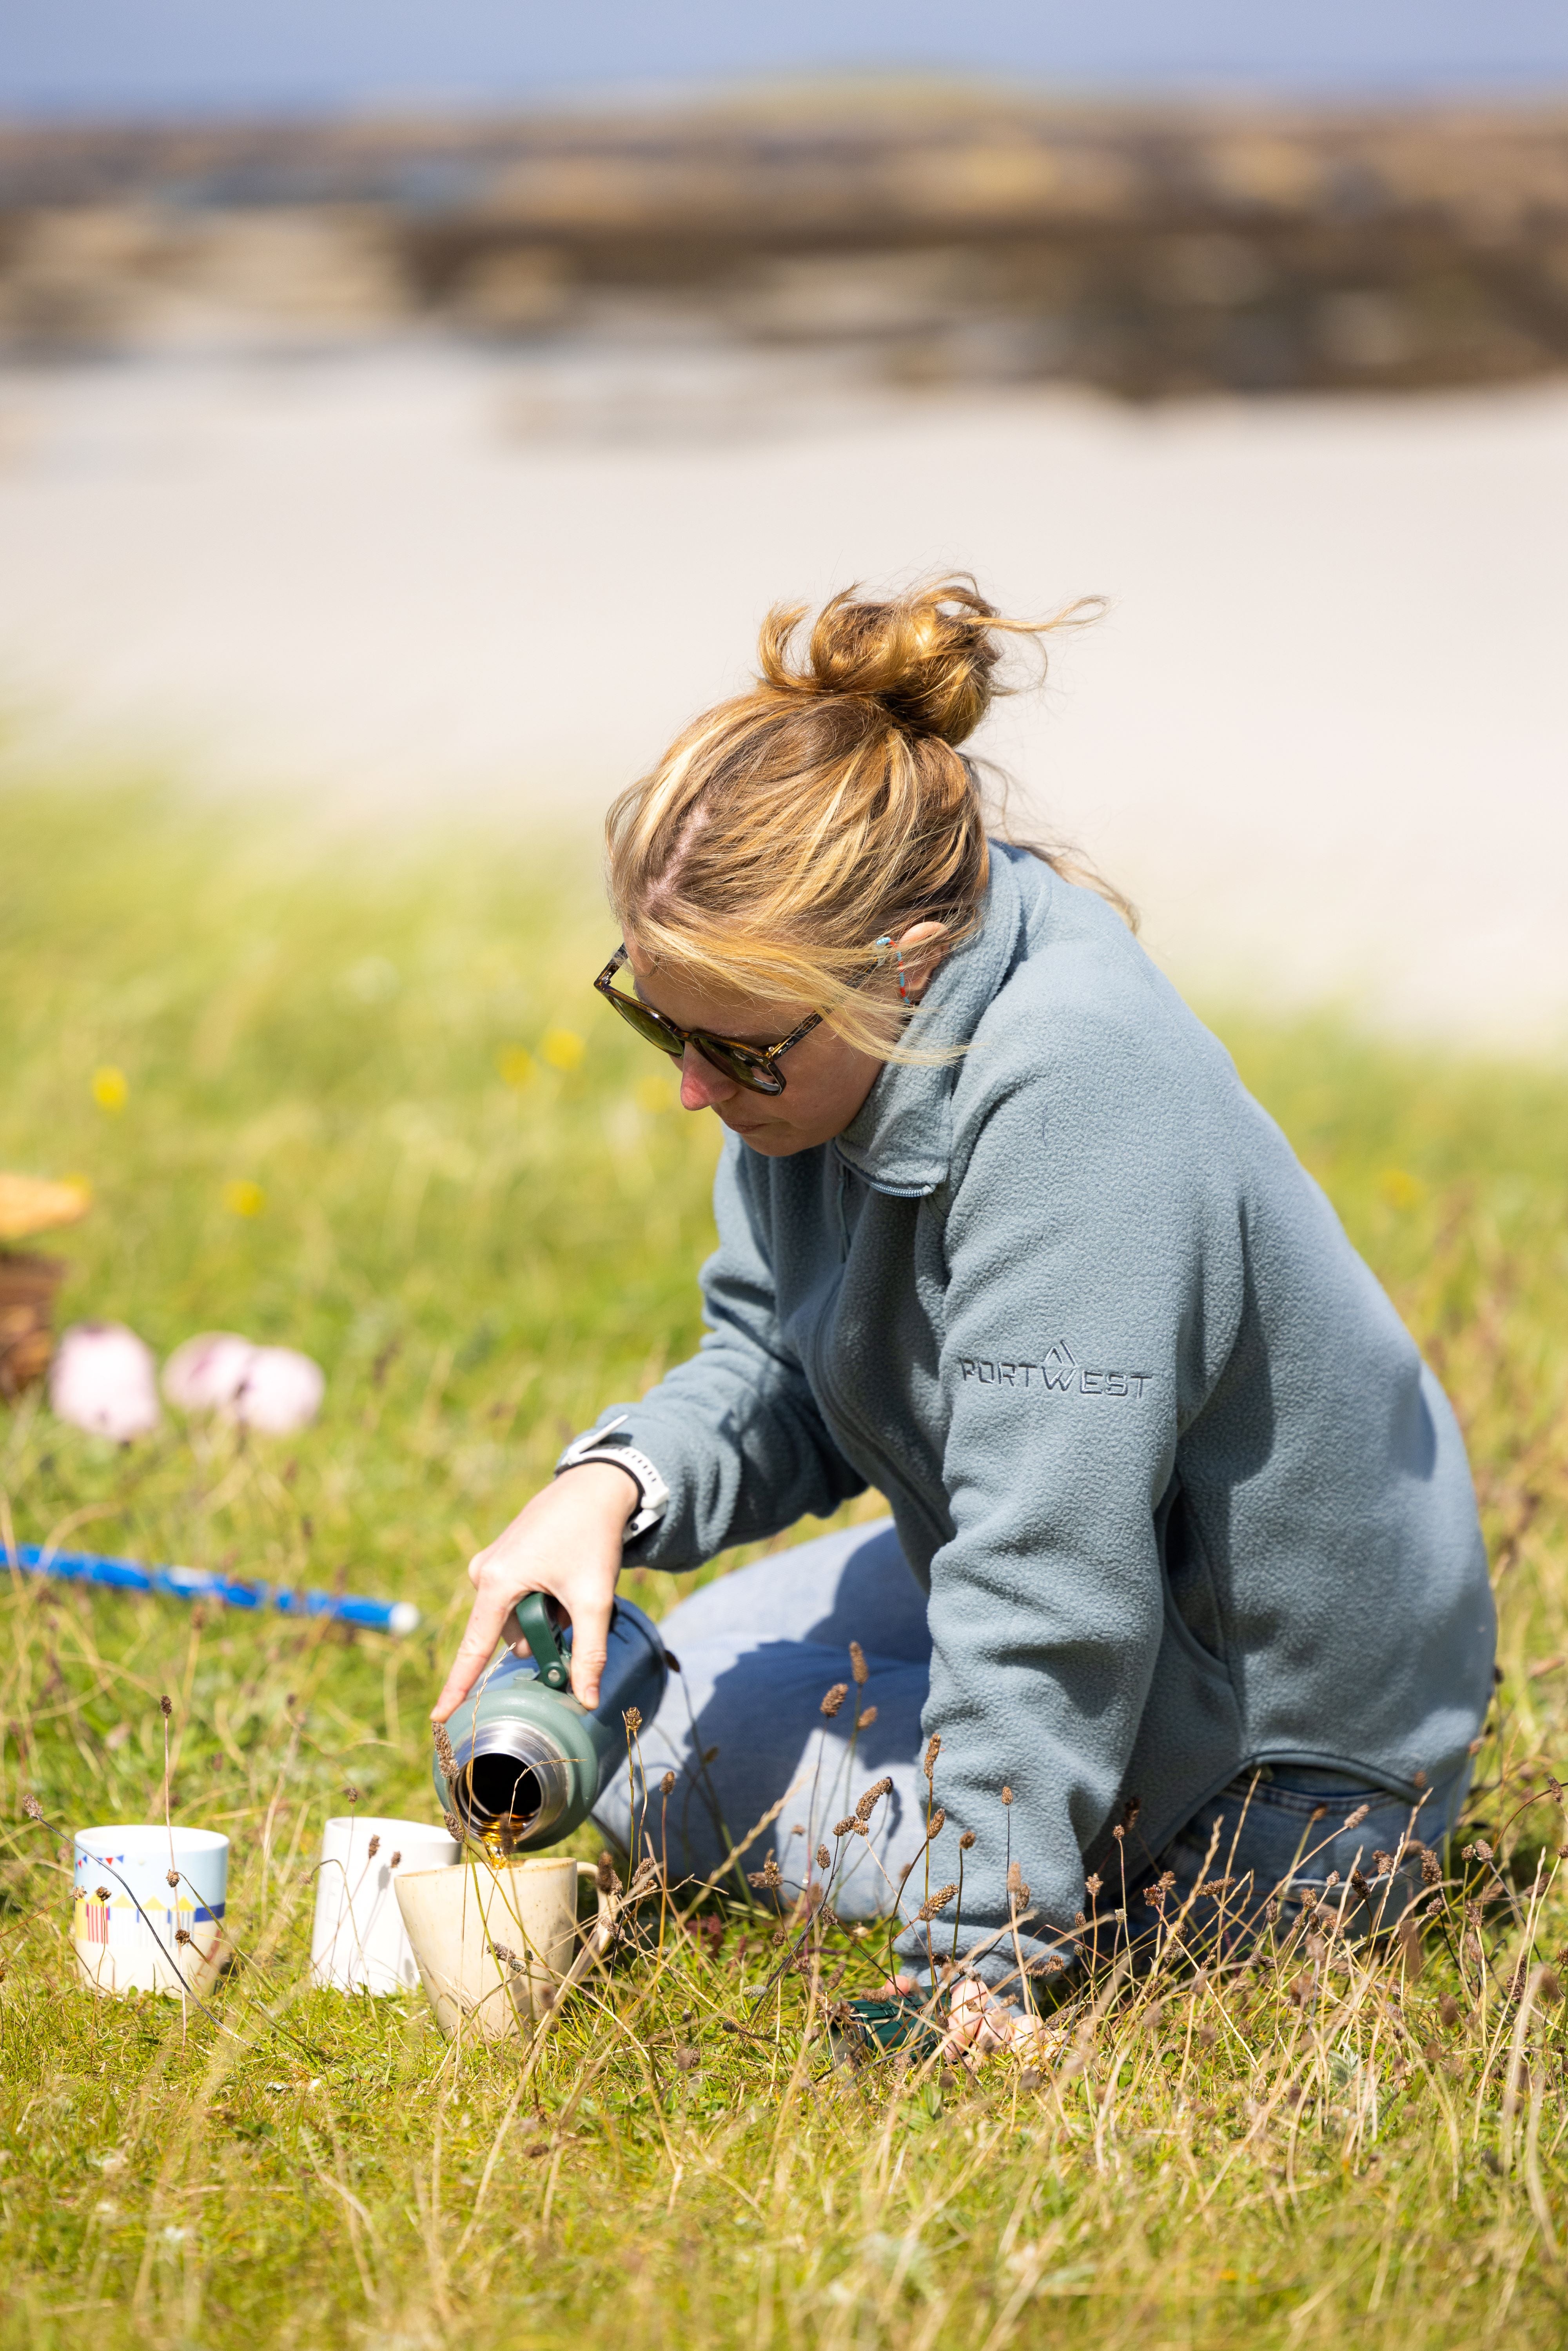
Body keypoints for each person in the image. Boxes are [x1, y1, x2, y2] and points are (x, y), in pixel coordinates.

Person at [433, 578, 1494, 2048]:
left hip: (1285, 1773)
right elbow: (779, 1364)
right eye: (657, 1022)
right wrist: (614, 1484)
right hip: (1098, 1578)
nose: (691, 1088)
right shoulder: (823, 1051)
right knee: (688, 1646)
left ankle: (1081, 1872)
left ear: (902, 970)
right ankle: (969, 1791)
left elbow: (1050, 1578)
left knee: (657, 1750)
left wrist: (973, 1962)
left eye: (732, 1049)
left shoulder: (1075, 1094)